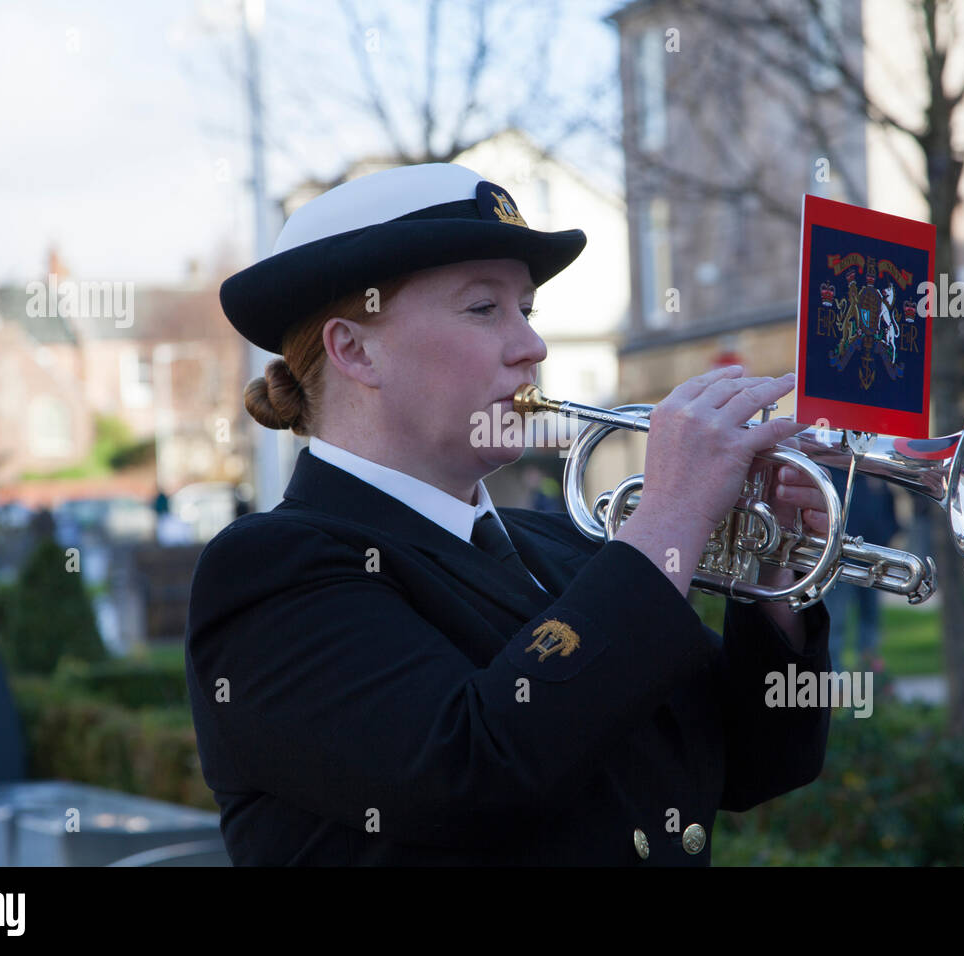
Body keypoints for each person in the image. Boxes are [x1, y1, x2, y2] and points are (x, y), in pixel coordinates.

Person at [185, 162, 833, 866]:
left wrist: (777, 579)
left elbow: (756, 764)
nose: (532, 345)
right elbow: (475, 771)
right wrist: (669, 518)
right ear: (355, 350)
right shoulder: (270, 570)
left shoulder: (563, 544)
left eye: (526, 308)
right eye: (483, 308)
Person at [820, 471, 899, 672]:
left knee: (870, 618)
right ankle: (832, 672)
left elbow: (887, 510)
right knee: (835, 619)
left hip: (872, 560)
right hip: (841, 560)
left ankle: (869, 671)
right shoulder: (835, 475)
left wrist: (886, 537)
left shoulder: (873, 476)